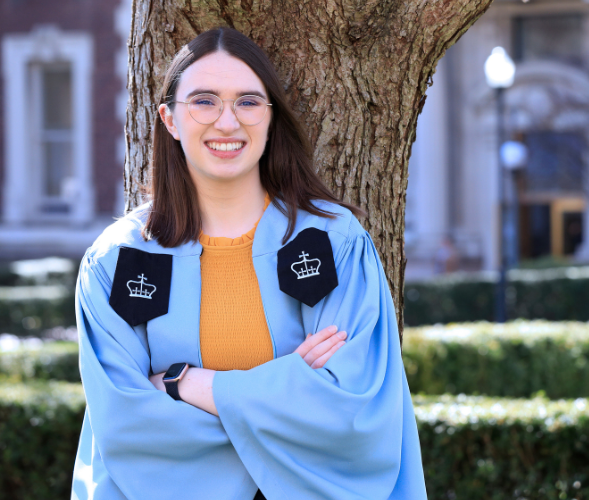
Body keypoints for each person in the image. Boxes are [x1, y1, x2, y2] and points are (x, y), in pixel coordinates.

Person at [71, 27, 427, 499]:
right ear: (170, 120)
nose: (226, 122)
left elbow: (349, 413)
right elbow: (127, 430)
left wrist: (186, 385)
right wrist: (283, 395)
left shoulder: (335, 244)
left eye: (247, 102)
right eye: (203, 101)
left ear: (270, 118)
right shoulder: (117, 262)